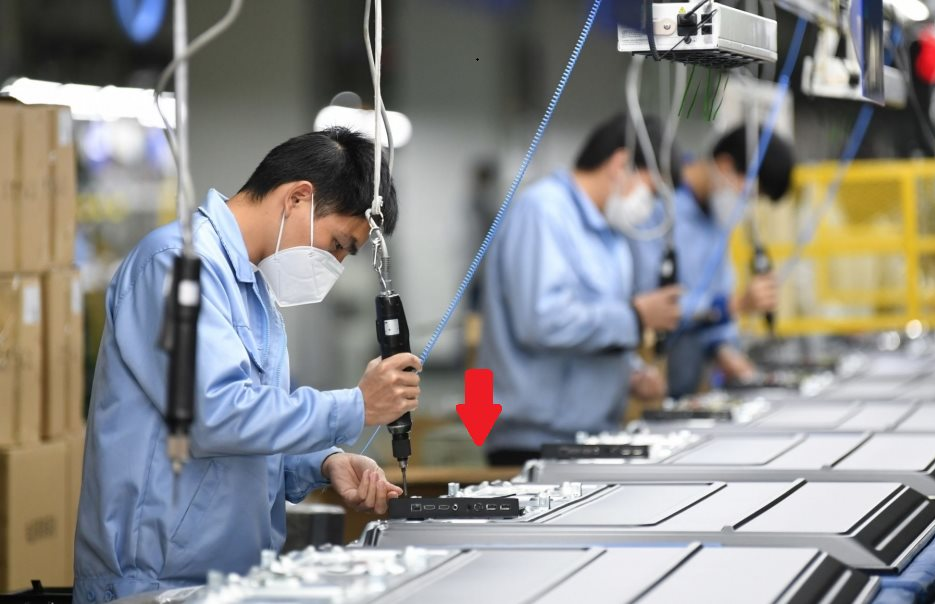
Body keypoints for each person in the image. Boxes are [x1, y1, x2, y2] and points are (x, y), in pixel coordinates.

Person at [74, 128, 422, 602]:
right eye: (339, 244)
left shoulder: (252, 290)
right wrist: (356, 407)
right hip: (156, 583)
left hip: (226, 578)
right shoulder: (179, 267)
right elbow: (215, 416)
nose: (336, 263)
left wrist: (322, 461)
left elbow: (249, 432)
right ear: (298, 197)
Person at [478, 114, 682, 466]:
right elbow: (542, 321)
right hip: (535, 442)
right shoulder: (543, 211)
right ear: (620, 164)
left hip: (588, 433)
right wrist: (635, 316)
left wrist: (629, 371)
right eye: (650, 191)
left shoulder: (611, 232)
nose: (649, 207)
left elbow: (595, 319)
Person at [660, 125, 795, 398]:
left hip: (692, 387)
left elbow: (716, 293)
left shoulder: (715, 216)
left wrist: (724, 350)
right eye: (748, 195)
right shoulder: (660, 208)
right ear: (724, 165)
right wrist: (738, 304)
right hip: (654, 381)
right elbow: (655, 303)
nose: (745, 206)